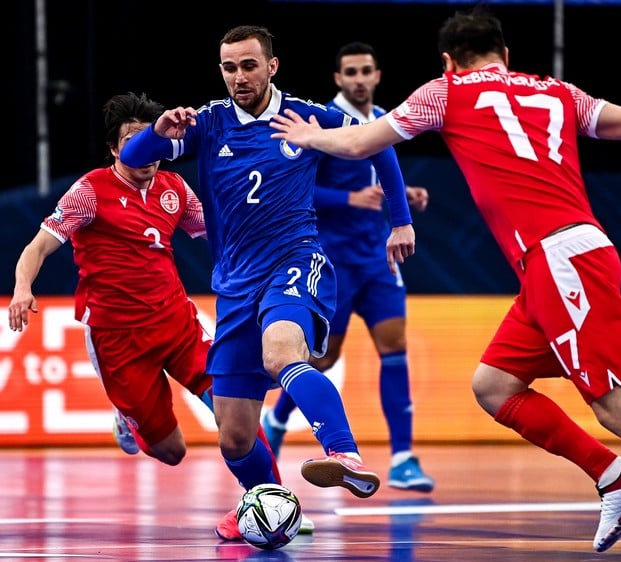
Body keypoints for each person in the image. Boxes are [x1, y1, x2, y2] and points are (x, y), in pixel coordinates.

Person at [269, 7, 621, 562]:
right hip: (562, 260)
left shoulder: (446, 91)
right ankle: (614, 475)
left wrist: (310, 136)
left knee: (616, 406)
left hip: (561, 262)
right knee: (493, 386)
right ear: (506, 55)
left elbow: (361, 142)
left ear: (448, 60)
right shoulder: (557, 91)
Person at [120, 26, 416, 527]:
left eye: (249, 65)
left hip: (295, 262)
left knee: (280, 353)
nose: (239, 76)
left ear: (271, 66)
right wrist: (158, 132)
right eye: (229, 67)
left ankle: (344, 453)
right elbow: (131, 159)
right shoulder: (207, 123)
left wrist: (400, 220)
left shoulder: (305, 115)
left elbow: (380, 143)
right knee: (234, 435)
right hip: (235, 284)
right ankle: (268, 504)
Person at [7, 91, 309, 541]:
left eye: (150, 140)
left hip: (178, 325)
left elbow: (220, 235)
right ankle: (127, 419)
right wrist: (21, 288)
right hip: (119, 342)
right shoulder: (90, 192)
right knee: (172, 451)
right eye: (132, 141)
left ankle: (272, 502)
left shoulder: (174, 189)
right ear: (115, 149)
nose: (145, 152)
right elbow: (38, 246)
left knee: (232, 409)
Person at [261, 41, 435, 492]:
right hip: (330, 261)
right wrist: (348, 199)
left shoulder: (381, 120)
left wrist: (404, 200)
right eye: (351, 72)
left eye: (366, 71)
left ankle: (403, 458)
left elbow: (378, 176)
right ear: (339, 78)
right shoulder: (320, 120)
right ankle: (276, 419)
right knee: (324, 357)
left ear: (377, 76)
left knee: (394, 347)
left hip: (378, 259)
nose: (359, 79)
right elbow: (298, 187)